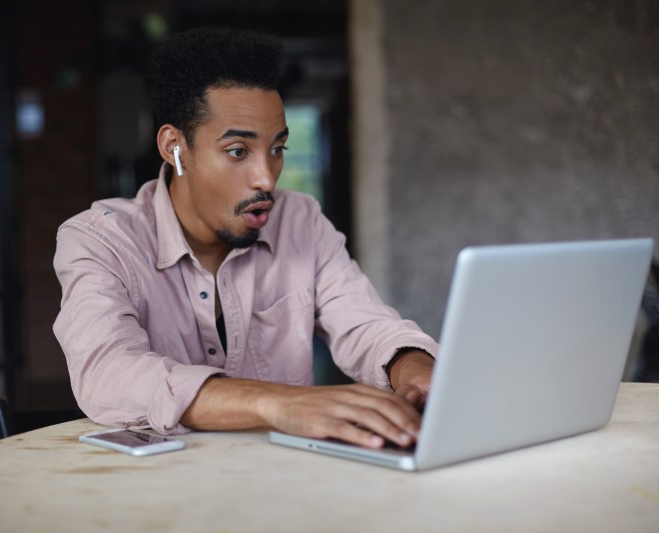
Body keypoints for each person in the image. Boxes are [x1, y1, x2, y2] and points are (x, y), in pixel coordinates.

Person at [53, 27, 439, 450]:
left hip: (278, 485)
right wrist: (277, 404)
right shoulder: (99, 240)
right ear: (174, 147)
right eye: (238, 151)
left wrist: (415, 368)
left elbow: (366, 324)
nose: (266, 178)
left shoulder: (301, 222)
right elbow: (108, 371)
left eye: (278, 149)